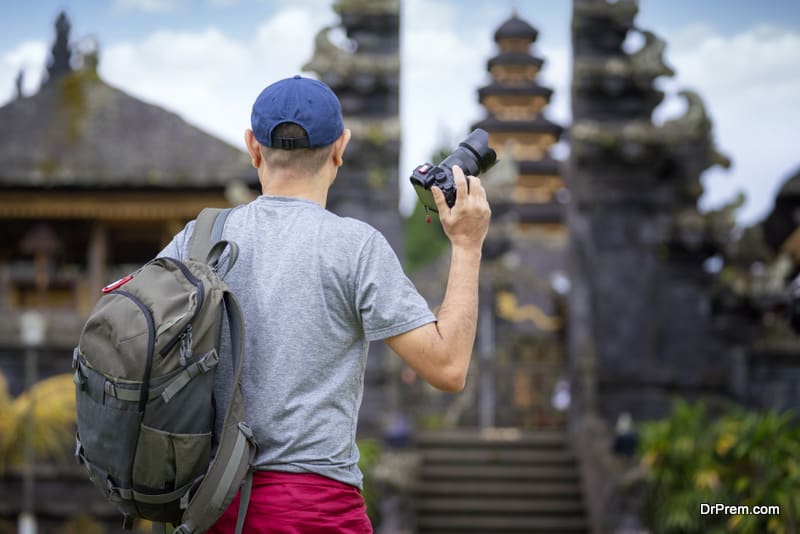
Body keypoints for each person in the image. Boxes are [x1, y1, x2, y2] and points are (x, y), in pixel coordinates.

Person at [158, 75, 491, 533]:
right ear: (341, 148)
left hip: (208, 509)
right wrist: (468, 246)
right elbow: (448, 367)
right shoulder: (353, 247)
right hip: (315, 511)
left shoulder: (195, 240)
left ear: (253, 147)